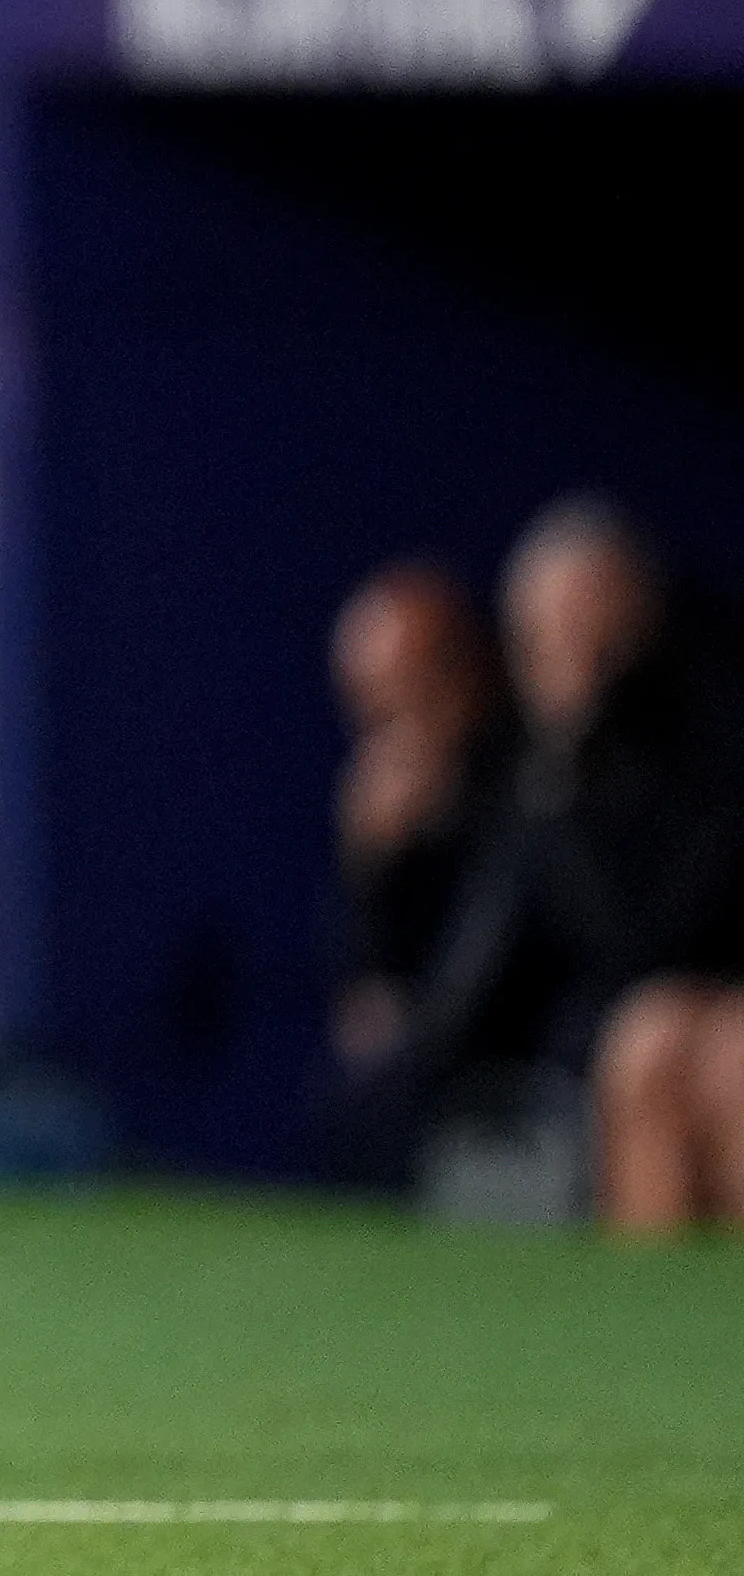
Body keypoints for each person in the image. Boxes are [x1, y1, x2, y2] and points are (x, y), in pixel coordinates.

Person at [403, 501, 744, 1230]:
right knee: (651, 1041)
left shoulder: (708, 746)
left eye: (585, 637)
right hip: (594, 1049)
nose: (558, 662)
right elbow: (468, 982)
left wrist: (567, 764)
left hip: (689, 1024)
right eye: (537, 639)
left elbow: (652, 938)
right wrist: (380, 880)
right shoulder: (520, 777)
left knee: (683, 1045)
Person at [315, 560, 510, 1190]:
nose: (388, 730)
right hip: (434, 1053)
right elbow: (369, 981)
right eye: (368, 706)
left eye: (406, 693)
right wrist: (375, 865)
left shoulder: (529, 779)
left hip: (525, 1035)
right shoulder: (391, 816)